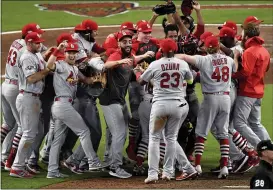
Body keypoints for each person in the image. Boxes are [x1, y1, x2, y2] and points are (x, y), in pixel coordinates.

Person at [176, 35, 237, 179]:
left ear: (207, 48)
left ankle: (197, 166)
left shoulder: (204, 59)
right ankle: (224, 167)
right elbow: (235, 66)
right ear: (218, 47)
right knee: (223, 133)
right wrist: (235, 55)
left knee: (201, 133)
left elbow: (184, 57)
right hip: (226, 98)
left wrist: (169, 57)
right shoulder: (228, 60)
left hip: (210, 98)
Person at [135, 38, 193, 183]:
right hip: (178, 105)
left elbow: (141, 81)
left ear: (161, 50)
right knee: (171, 138)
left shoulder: (155, 64)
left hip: (161, 106)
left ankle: (153, 174)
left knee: (154, 138)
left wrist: (138, 72)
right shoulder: (183, 63)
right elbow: (191, 81)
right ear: (175, 50)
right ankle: (168, 172)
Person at [10, 32, 51, 178]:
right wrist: (47, 70)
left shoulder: (38, 54)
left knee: (38, 131)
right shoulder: (26, 57)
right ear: (29, 43)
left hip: (34, 98)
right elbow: (32, 78)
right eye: (37, 43)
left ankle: (24, 162)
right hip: (28, 97)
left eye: (40, 42)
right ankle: (17, 167)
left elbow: (42, 65)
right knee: (28, 134)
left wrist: (50, 56)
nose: (40, 45)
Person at [233, 23, 271, 149]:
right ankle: (270, 147)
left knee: (239, 123)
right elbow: (266, 69)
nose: (241, 35)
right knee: (255, 123)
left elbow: (245, 72)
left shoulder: (249, 51)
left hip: (247, 92)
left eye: (243, 33)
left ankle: (261, 148)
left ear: (247, 35)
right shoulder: (264, 51)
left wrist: (230, 75)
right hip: (258, 91)